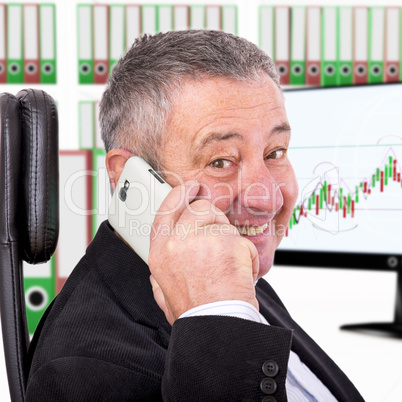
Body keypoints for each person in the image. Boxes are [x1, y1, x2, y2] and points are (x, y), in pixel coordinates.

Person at [26, 30, 364, 401]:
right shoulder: (85, 370)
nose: (267, 198)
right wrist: (217, 319)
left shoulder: (219, 268)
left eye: (275, 152)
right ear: (130, 177)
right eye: (220, 161)